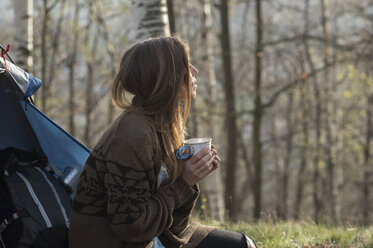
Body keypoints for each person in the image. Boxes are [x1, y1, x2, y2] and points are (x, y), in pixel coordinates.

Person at [68, 36, 257, 248]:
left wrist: (190, 178)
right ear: (167, 78)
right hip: (114, 243)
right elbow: (131, 227)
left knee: (243, 244)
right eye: (186, 65)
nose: (194, 71)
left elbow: (175, 226)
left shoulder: (160, 125)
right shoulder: (132, 136)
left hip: (154, 237)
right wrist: (183, 182)